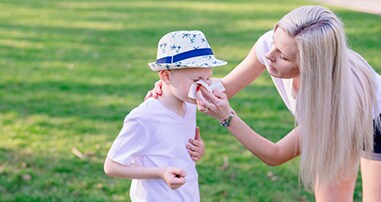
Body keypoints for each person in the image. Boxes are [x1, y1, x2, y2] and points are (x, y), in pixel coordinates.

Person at [146, 6, 381, 201]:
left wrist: (227, 117)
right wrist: (174, 90)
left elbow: (275, 154)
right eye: (274, 44)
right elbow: (225, 87)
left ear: (311, 67)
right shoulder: (272, 46)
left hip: (375, 125)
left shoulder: (336, 100)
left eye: (284, 56)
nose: (269, 56)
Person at [104, 30, 227, 201]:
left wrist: (200, 148)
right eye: (196, 80)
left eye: (208, 78)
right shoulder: (144, 118)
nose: (204, 87)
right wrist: (160, 172)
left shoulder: (189, 104)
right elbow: (111, 166)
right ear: (166, 76)